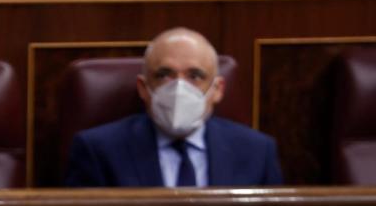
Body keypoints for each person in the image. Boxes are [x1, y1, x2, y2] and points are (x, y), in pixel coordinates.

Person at [65, 27, 282, 188]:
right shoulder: (98, 151)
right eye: (164, 75)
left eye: (195, 76)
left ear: (217, 90)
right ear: (143, 88)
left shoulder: (257, 152)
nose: (179, 87)